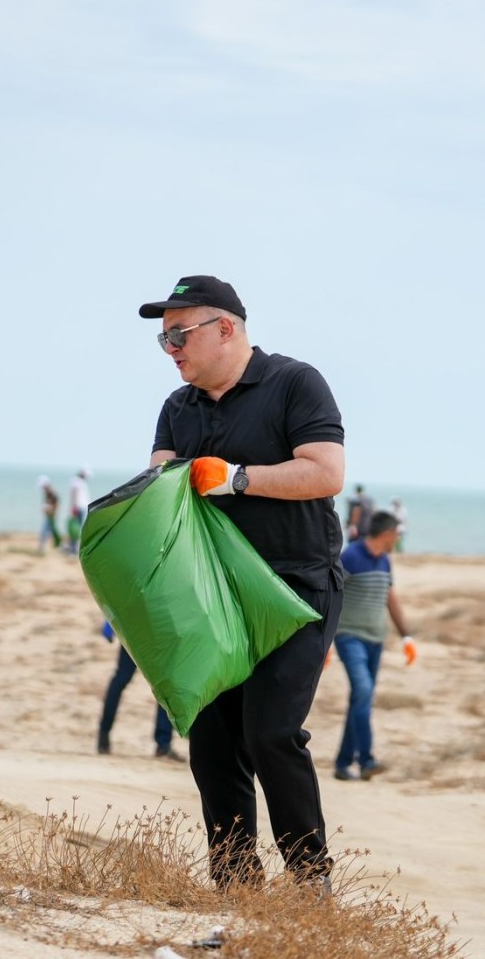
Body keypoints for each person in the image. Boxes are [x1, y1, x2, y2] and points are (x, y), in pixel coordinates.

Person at [140, 274, 345, 889]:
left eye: (180, 333)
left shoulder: (294, 383)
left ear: (225, 329)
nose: (171, 348)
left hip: (297, 587)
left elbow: (325, 473)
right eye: (163, 339)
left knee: (271, 733)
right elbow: (161, 490)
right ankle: (234, 882)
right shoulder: (179, 409)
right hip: (213, 595)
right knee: (211, 739)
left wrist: (236, 479)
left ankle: (310, 885)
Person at [332, 510, 416, 783]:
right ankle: (366, 759)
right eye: (397, 534)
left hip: (375, 640)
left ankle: (344, 764)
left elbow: (390, 599)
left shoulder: (385, 561)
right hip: (349, 636)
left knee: (361, 698)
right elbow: (332, 593)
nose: (397, 539)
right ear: (387, 534)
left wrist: (406, 636)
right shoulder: (351, 557)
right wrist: (323, 639)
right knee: (363, 691)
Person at [96, 620, 185, 762]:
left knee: (121, 679)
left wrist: (109, 620)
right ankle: (163, 744)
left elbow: (124, 597)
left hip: (135, 628)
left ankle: (103, 735)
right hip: (158, 629)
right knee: (166, 684)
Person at [65, 467, 91, 554]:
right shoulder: (77, 482)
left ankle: (73, 546)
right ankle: (73, 547)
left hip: (80, 507)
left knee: (77, 528)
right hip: (78, 508)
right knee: (76, 528)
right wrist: (74, 507)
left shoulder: (79, 482)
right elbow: (74, 494)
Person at [37, 476, 61, 553]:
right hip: (49, 515)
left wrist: (50, 510)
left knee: (46, 531)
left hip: (51, 515)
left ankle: (42, 548)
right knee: (51, 531)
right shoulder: (48, 493)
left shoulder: (52, 493)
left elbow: (57, 504)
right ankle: (55, 546)